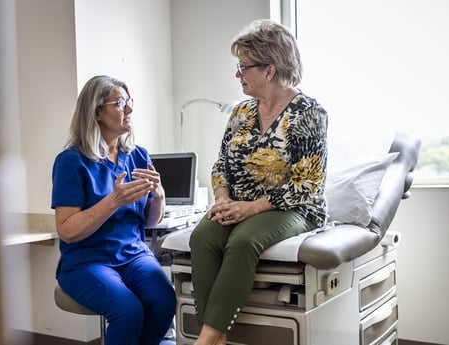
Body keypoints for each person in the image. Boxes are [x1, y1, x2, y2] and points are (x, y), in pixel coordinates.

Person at [189, 19, 328, 345]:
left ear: (269, 70)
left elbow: (307, 184)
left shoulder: (308, 113)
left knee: (242, 241)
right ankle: (217, 336)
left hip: (294, 207)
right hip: (239, 204)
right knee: (202, 236)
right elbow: (221, 164)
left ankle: (206, 339)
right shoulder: (240, 113)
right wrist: (222, 199)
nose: (238, 75)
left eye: (243, 67)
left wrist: (250, 209)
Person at [51, 75, 176, 345]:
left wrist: (158, 194)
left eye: (129, 102)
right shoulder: (71, 161)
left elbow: (152, 221)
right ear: (96, 112)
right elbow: (67, 230)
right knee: (128, 311)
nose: (129, 110)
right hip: (88, 261)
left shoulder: (138, 155)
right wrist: (113, 201)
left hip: (133, 255)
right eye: (120, 103)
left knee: (164, 300)